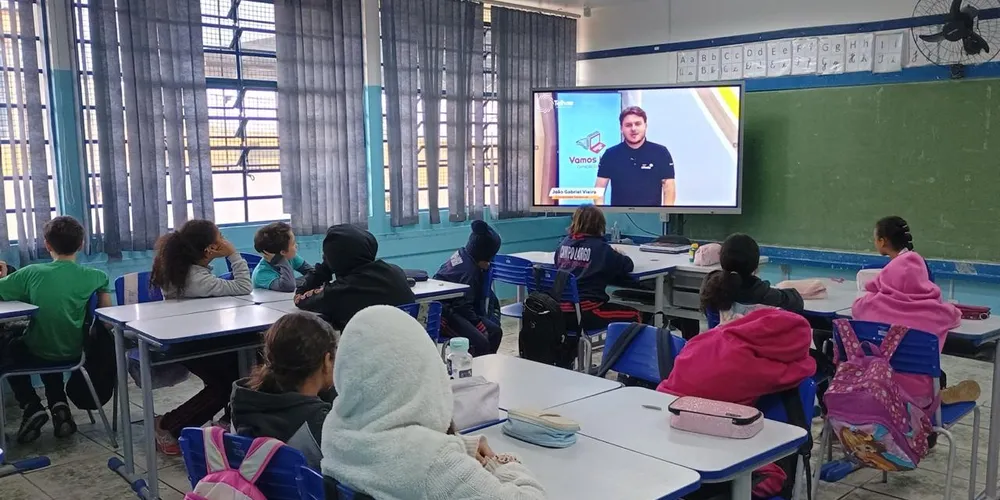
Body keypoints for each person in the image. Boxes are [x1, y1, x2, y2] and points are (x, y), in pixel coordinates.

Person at [321, 305, 546, 499]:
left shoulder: (336, 431)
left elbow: (398, 444)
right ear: (427, 372)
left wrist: (458, 447)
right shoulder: (433, 465)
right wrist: (503, 463)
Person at [658, 307, 816, 498]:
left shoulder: (706, 339)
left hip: (662, 418)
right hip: (698, 442)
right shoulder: (756, 368)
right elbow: (804, 369)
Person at [0, 216, 112, 444]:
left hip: (38, 350)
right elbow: (107, 318)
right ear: (81, 244)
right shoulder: (97, 277)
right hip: (75, 352)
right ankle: (59, 406)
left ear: (47, 245)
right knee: (51, 343)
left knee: (11, 348)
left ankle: (31, 405)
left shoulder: (31, 273)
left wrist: (3, 277)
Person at [851, 216, 977, 409]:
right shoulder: (937, 312)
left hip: (876, 388)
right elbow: (955, 315)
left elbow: (857, 307)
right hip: (919, 398)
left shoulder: (870, 305)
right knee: (932, 375)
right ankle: (939, 397)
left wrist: (876, 288)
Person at [149, 219, 251, 455]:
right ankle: (168, 426)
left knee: (247, 364)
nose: (225, 241)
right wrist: (233, 254)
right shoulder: (197, 279)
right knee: (227, 384)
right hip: (191, 342)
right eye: (221, 238)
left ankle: (229, 420)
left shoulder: (184, 267)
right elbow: (243, 286)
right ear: (209, 249)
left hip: (197, 335)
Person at [231, 313, 338, 469]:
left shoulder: (242, 401)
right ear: (327, 360)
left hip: (256, 491)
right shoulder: (319, 425)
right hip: (306, 493)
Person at [295, 224, 414, 330]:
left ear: (336, 257)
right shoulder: (396, 271)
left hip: (365, 352)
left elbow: (300, 298)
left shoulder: (339, 291)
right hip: (407, 348)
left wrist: (325, 267)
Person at [554, 205, 642, 331]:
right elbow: (627, 265)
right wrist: (617, 253)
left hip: (559, 312)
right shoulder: (602, 249)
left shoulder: (563, 244)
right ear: (600, 224)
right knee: (636, 315)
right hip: (587, 312)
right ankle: (622, 350)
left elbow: (558, 265)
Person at [433, 220, 503, 356]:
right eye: (489, 260)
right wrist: (478, 325)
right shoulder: (469, 272)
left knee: (495, 332)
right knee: (481, 342)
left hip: (459, 310)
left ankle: (489, 362)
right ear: (482, 257)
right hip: (446, 314)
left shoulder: (464, 254)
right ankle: (476, 369)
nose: (490, 264)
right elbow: (463, 306)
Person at [700, 233, 804, 315]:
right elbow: (796, 302)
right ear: (756, 266)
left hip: (721, 341)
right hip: (754, 342)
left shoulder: (710, 287)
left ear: (722, 261)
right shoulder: (764, 294)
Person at [594, 106, 676, 207]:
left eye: (638, 124)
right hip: (618, 219)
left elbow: (669, 187)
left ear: (645, 125)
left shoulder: (661, 153)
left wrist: (667, 216)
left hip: (653, 219)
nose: (633, 129)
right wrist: (602, 215)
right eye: (628, 125)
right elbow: (599, 189)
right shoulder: (610, 154)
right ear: (621, 128)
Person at [251, 222, 314, 292]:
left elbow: (314, 274)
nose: (296, 245)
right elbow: (288, 286)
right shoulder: (262, 273)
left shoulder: (291, 257)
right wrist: (280, 260)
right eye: (293, 243)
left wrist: (295, 282)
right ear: (283, 252)